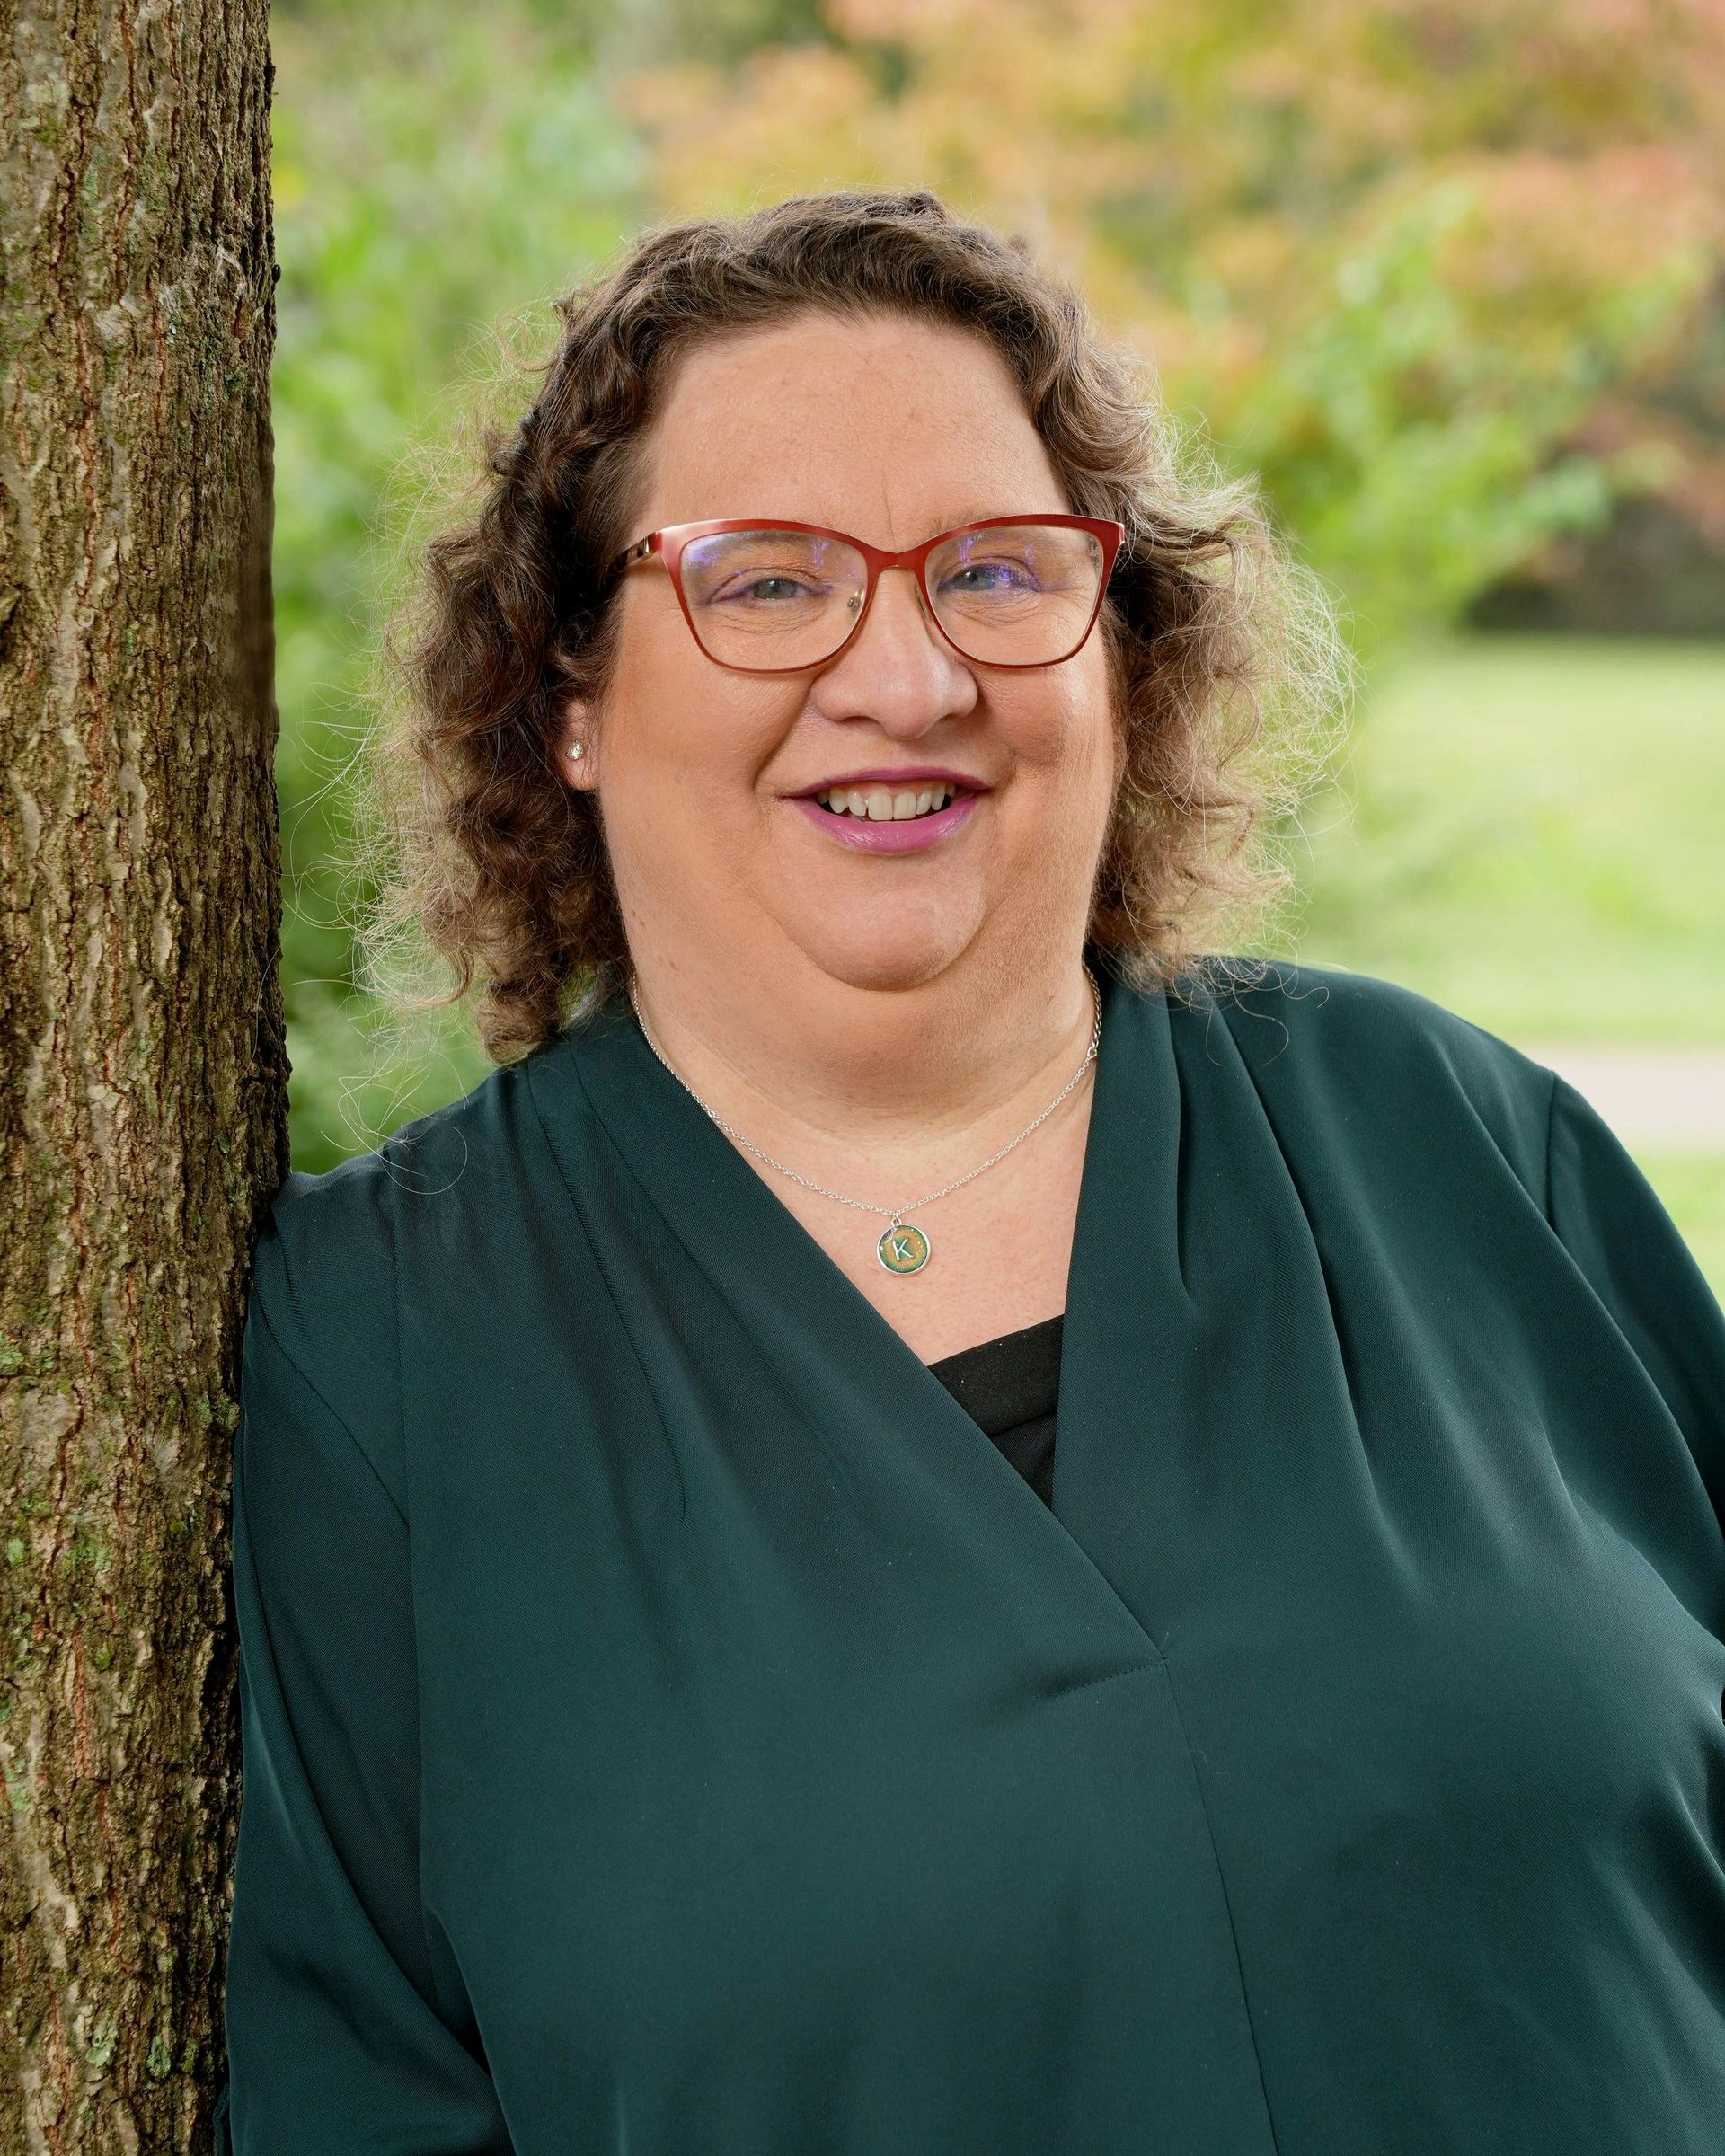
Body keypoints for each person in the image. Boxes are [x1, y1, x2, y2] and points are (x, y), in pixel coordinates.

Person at [215, 189, 1725, 2154]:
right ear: (569, 699)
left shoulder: (1450, 1141)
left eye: (1000, 575)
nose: (908, 679)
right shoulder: (394, 1356)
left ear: (1120, 651)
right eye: (767, 583)